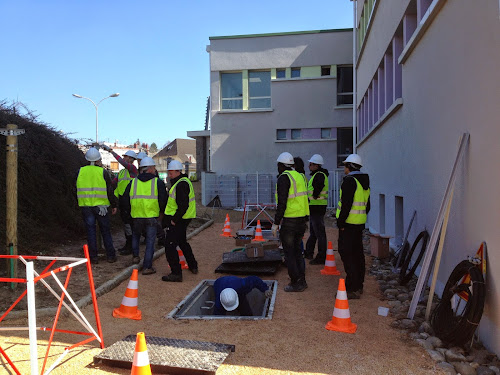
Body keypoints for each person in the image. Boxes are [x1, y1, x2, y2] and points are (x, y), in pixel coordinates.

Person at [122, 157, 167, 275]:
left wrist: (129, 213)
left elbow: (125, 199)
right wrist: (162, 214)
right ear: (150, 169)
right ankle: (147, 267)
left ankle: (135, 257)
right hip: (152, 216)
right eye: (154, 167)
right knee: (150, 241)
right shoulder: (158, 182)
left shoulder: (133, 182)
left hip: (136, 216)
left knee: (135, 237)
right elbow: (163, 200)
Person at [272, 152, 309, 292]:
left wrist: (276, 222)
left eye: (278, 165)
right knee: (298, 251)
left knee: (290, 253)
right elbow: (304, 199)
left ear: (282, 165)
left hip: (290, 221)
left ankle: (296, 282)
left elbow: (282, 203)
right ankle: (302, 280)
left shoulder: (284, 178)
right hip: (301, 220)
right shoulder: (300, 176)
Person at [336, 154, 370, 300]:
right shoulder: (364, 182)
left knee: (347, 254)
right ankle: (359, 285)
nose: (344, 168)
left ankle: (352, 287)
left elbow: (346, 205)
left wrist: (341, 223)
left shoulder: (349, 181)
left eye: (345, 166)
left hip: (348, 225)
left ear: (349, 166)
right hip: (359, 223)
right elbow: (367, 206)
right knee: (358, 255)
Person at [76, 147, 118, 264]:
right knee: (105, 231)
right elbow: (110, 190)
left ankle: (93, 257)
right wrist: (114, 205)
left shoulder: (80, 171)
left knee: (90, 232)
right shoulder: (102, 172)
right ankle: (110, 255)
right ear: (98, 159)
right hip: (101, 207)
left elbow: (74, 187)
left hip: (86, 206)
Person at [161, 160, 198, 282]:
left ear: (178, 171)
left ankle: (176, 273)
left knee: (170, 245)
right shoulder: (183, 182)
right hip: (184, 218)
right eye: (169, 172)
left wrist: (174, 220)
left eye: (171, 172)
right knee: (182, 242)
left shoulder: (181, 184)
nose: (169, 174)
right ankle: (193, 265)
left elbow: (183, 205)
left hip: (179, 219)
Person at [100, 145, 138, 255]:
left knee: (129, 223)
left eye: (126, 157)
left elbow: (123, 163)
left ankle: (131, 245)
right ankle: (128, 244)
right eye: (124, 157)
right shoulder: (122, 172)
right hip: (122, 200)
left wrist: (111, 152)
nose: (124, 159)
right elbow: (113, 183)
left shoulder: (133, 169)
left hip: (130, 200)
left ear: (131, 159)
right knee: (126, 223)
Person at [305, 154, 330, 265]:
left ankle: (321, 256)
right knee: (314, 232)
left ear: (316, 165)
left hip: (317, 206)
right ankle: (309, 252)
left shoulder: (319, 175)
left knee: (319, 233)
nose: (309, 166)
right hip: (316, 207)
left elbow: (317, 189)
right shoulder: (319, 175)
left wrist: (314, 195)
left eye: (311, 164)